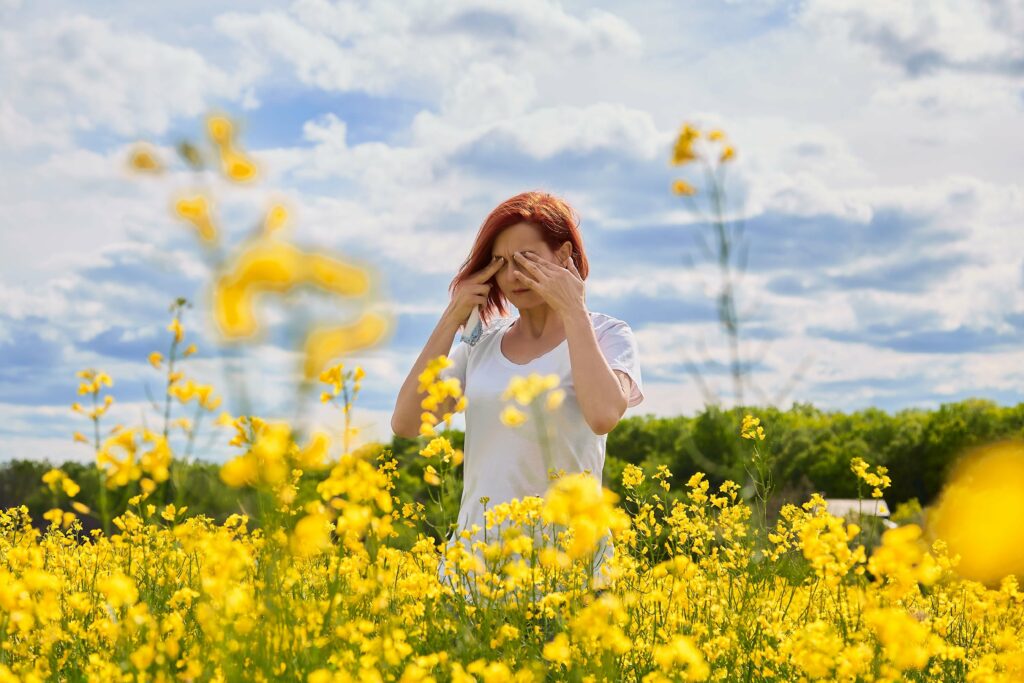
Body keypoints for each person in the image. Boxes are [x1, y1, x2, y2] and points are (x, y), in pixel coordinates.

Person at [390, 191, 644, 596]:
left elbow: (603, 415)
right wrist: (452, 317)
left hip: (569, 574)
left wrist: (574, 310)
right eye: (501, 263)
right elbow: (405, 422)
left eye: (526, 259)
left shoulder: (607, 335)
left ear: (564, 255)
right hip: (473, 574)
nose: (512, 276)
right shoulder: (480, 346)